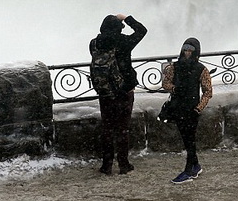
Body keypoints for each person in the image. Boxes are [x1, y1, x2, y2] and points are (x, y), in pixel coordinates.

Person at [89, 13, 148, 174]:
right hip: (124, 92)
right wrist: (127, 18)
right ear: (119, 28)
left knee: (107, 129)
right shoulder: (124, 42)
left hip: (105, 92)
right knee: (122, 128)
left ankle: (106, 165)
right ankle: (124, 164)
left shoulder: (94, 44)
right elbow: (142, 30)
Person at [162, 37, 213, 184]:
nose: (187, 52)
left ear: (196, 52)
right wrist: (174, 88)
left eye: (190, 50)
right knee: (186, 139)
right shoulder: (174, 67)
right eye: (185, 49)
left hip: (192, 109)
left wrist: (199, 108)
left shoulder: (201, 70)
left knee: (189, 139)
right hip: (177, 107)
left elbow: (207, 91)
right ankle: (195, 166)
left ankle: (189, 170)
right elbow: (165, 83)